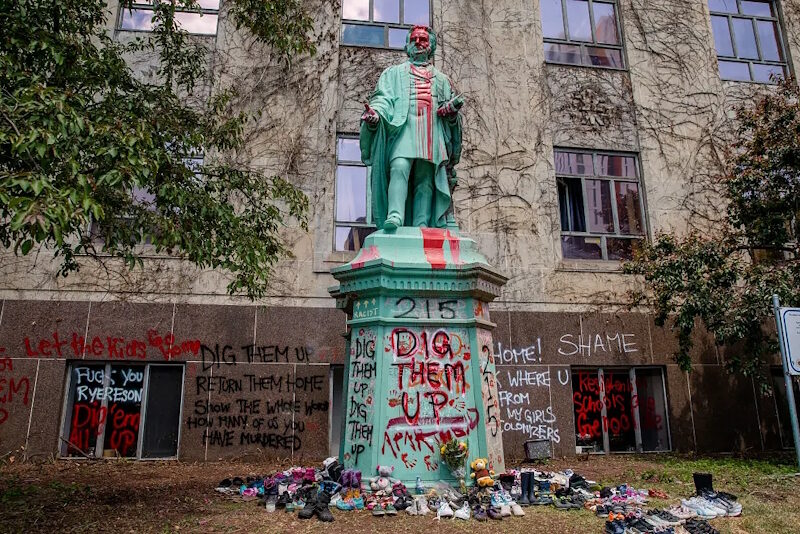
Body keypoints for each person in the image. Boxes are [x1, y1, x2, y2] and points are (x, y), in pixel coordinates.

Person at [359, 25, 463, 231]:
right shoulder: (393, 74)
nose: (418, 43)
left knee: (425, 179)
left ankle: (421, 224)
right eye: (414, 39)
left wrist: (451, 113)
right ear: (407, 46)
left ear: (431, 46)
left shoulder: (442, 80)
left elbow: (451, 118)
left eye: (423, 40)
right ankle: (395, 215)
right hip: (404, 129)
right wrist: (375, 114)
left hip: (431, 131)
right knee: (399, 167)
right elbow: (383, 99)